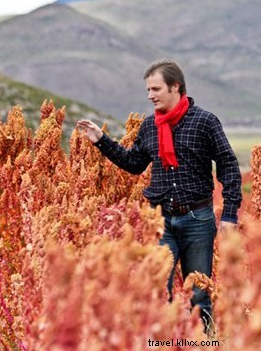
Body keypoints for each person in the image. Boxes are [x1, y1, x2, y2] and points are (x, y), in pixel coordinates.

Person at [76, 58, 242, 333]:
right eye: (148, 91)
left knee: (199, 294)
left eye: (155, 89)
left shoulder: (205, 121)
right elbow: (134, 163)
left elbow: (228, 165)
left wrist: (230, 213)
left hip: (197, 219)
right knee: (155, 288)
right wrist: (100, 140)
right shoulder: (149, 126)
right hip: (159, 220)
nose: (150, 96)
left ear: (175, 87)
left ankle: (202, 344)